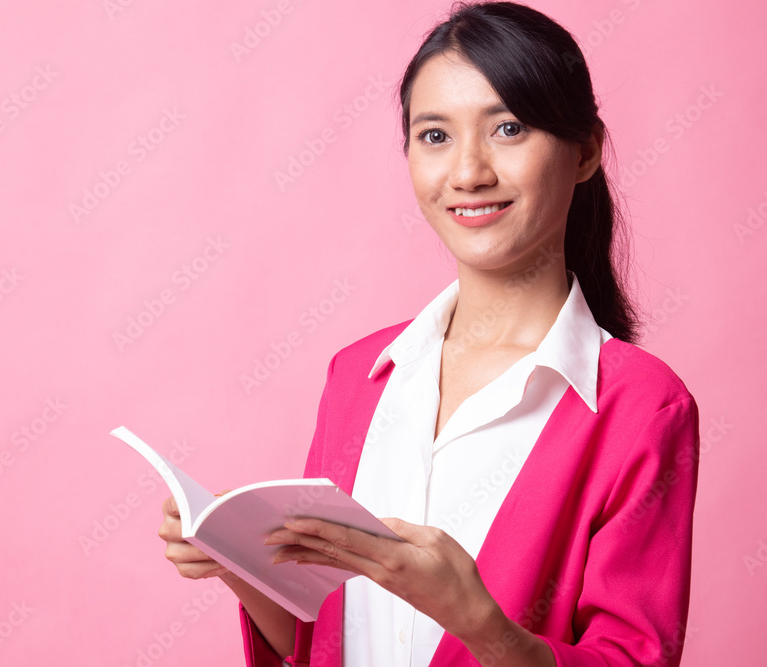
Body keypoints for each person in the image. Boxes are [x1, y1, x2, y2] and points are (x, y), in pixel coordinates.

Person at [158, 2, 700, 665]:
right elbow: (323, 637)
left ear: (584, 150)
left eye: (508, 128)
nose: (468, 172)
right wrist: (238, 561)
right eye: (435, 135)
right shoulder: (360, 374)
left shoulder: (642, 405)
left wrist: (481, 624)